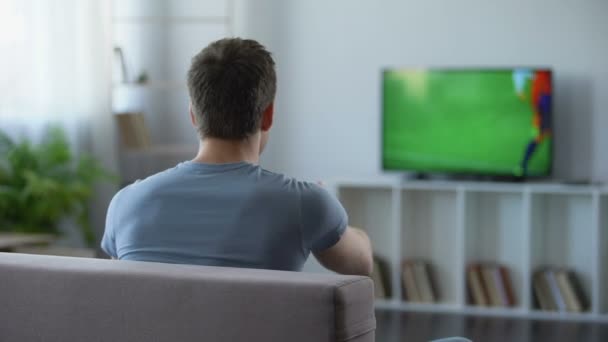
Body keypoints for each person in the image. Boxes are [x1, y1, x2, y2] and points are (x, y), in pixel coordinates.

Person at [101, 38, 373, 276]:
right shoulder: (306, 203)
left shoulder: (125, 204)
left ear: (193, 115)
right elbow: (361, 265)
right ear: (268, 115)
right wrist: (329, 210)